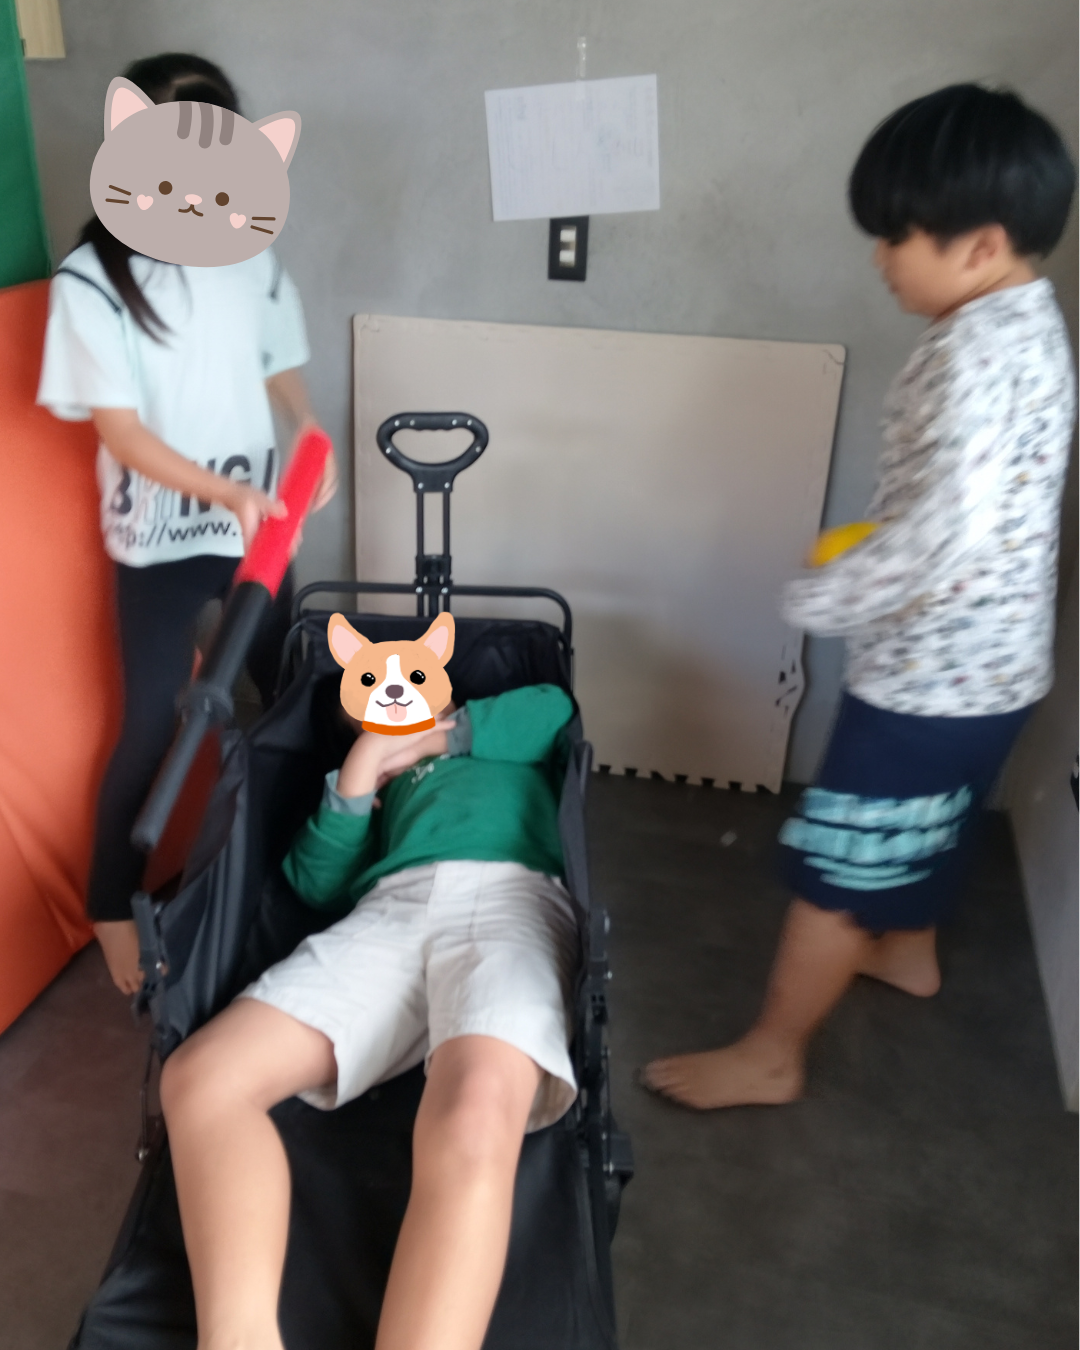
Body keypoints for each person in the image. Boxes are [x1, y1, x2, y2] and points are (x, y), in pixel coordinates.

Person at [643, 84, 1077, 1110]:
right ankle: (909, 951)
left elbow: (945, 530)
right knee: (931, 824)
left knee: (842, 866)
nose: (879, 259)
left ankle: (773, 1054)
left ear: (981, 245)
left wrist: (829, 596)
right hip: (1001, 672)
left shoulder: (970, 354)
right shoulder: (1034, 328)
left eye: (896, 236)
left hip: (931, 679)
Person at [37, 53, 337, 996]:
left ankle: (312, 864)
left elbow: (276, 360)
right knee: (153, 723)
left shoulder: (251, 253)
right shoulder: (91, 279)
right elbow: (120, 432)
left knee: (294, 691)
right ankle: (110, 906)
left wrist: (306, 424)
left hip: (257, 526)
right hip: (162, 539)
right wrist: (223, 493)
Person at [159, 682, 580, 1350]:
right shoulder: (377, 778)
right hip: (393, 908)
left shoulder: (502, 731)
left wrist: (437, 738)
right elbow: (315, 880)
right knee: (204, 1078)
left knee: (476, 1111)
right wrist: (359, 776)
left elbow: (555, 712)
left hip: (514, 898)